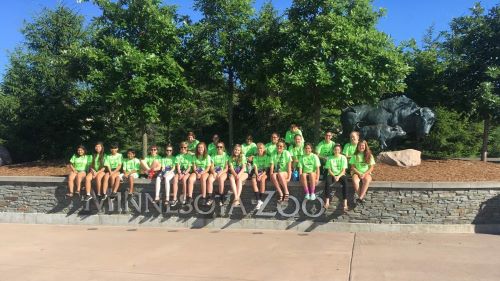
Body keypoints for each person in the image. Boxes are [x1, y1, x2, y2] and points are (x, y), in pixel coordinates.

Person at [324, 144, 348, 211]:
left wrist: (338, 176)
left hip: (341, 174)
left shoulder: (343, 157)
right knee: (327, 182)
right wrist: (334, 176)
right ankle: (327, 202)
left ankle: (345, 203)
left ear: (340, 150)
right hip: (332, 174)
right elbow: (329, 170)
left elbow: (344, 170)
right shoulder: (330, 158)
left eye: (338, 150)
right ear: (333, 150)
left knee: (345, 183)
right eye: (335, 150)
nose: (336, 151)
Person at [207, 141, 228, 206]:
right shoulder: (213, 155)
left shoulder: (226, 155)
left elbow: (226, 168)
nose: (219, 148)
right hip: (215, 171)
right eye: (218, 147)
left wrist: (221, 172)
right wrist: (214, 172)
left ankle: (221, 199)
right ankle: (210, 198)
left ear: (223, 148)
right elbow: (212, 166)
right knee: (210, 179)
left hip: (223, 172)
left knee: (221, 179)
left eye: (221, 147)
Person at [251, 143, 272, 210]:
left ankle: (260, 198)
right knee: (253, 180)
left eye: (261, 148)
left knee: (263, 179)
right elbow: (255, 168)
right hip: (258, 172)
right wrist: (257, 175)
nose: (259, 150)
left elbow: (266, 169)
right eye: (258, 148)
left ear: (264, 149)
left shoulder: (267, 157)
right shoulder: (255, 157)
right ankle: (259, 200)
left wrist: (261, 175)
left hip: (264, 172)